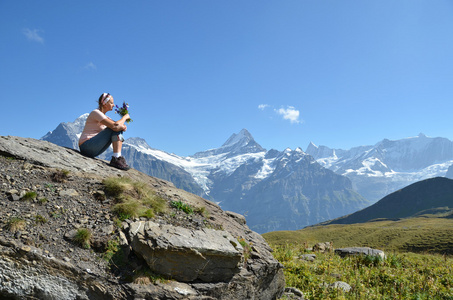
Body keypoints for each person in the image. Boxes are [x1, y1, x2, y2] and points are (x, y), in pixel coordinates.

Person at [78, 93, 131, 170]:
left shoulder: (106, 117)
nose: (113, 105)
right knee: (114, 127)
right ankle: (116, 158)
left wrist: (122, 127)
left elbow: (117, 125)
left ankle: (117, 157)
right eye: (111, 103)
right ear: (105, 103)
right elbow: (115, 126)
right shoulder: (96, 112)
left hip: (93, 149)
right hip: (86, 146)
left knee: (116, 127)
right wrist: (125, 117)